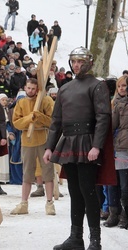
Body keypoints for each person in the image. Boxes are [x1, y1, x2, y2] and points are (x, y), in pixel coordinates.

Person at [43, 47, 112, 250]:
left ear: (88, 63)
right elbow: (56, 121)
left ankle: (95, 240)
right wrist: (49, 147)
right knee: (74, 191)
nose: (76, 65)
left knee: (88, 191)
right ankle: (76, 238)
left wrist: (97, 146)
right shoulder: (65, 88)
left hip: (87, 142)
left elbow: (103, 117)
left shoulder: (97, 86)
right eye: (74, 61)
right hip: (69, 141)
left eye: (80, 62)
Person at [11, 78, 55, 216]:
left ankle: (49, 203)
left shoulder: (46, 100)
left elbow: (52, 121)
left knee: (47, 171)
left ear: (37, 89)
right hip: (27, 140)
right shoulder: (21, 102)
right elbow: (16, 123)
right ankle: (24, 203)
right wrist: (29, 118)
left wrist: (39, 117)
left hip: (43, 138)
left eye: (33, 89)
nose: (30, 91)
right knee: (27, 173)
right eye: (28, 88)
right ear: (25, 88)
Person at [111, 76, 128, 229]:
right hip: (122, 148)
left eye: (125, 85)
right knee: (123, 185)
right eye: (120, 86)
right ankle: (122, 214)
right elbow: (112, 125)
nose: (122, 88)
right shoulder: (116, 104)